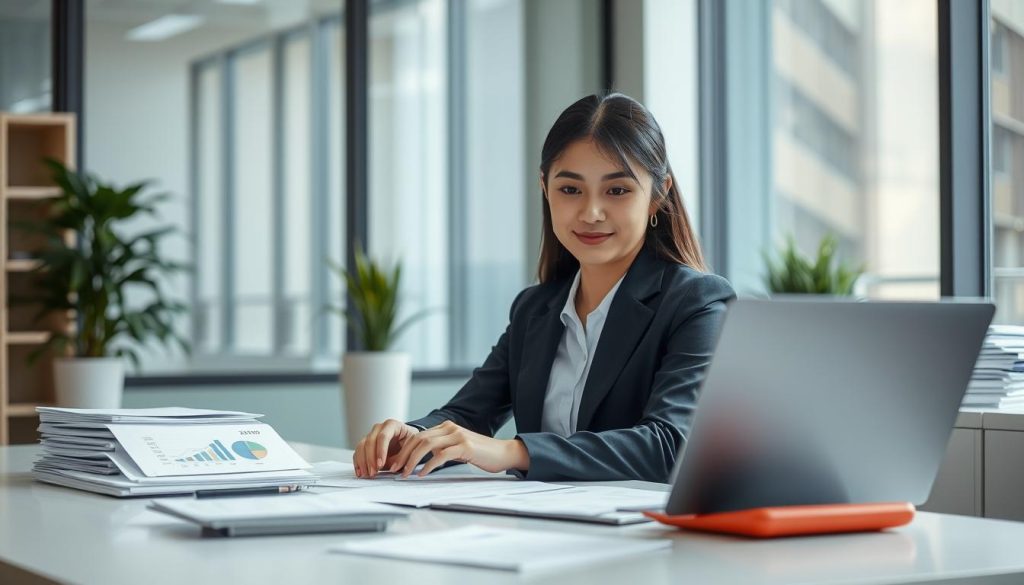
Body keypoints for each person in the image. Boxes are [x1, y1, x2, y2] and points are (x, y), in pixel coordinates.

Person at [352, 92, 735, 483]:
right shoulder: (535, 308)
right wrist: (413, 437)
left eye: (617, 190)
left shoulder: (697, 303)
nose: (591, 212)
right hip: (538, 528)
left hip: (640, 535)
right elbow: (469, 416)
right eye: (570, 189)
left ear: (658, 195)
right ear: (545, 187)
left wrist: (514, 451)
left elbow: (669, 446)